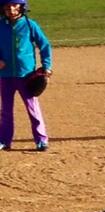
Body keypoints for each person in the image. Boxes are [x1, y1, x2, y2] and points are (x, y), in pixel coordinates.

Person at [0, 1, 52, 151]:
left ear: (21, 7)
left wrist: (47, 66)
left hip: (26, 75)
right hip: (5, 75)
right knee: (6, 110)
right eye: (7, 6)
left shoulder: (30, 25)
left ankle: (41, 139)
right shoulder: (0, 25)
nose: (10, 9)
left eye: (14, 5)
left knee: (32, 109)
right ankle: (4, 140)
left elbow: (44, 45)